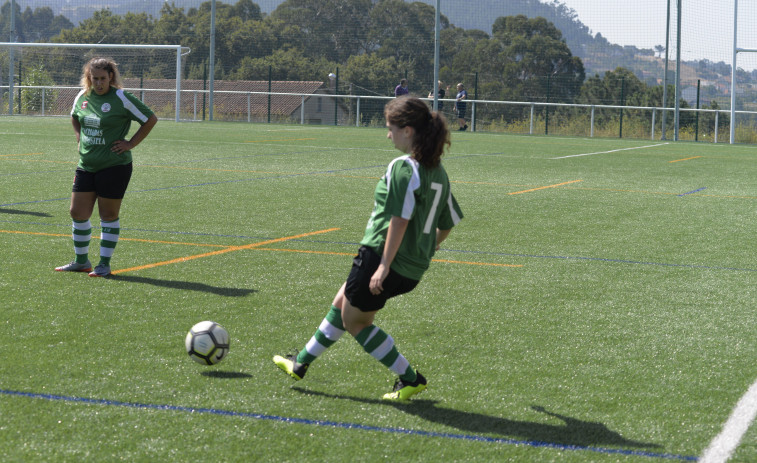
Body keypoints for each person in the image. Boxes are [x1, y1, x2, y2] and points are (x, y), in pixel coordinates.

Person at [274, 97, 463, 401]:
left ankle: (410, 378)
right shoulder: (438, 172)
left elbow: (399, 221)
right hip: (413, 269)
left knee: (356, 323)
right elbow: (449, 222)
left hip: (380, 258)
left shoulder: (404, 167)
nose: (388, 135)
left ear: (408, 131)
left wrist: (384, 265)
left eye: (391, 128)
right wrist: (428, 249)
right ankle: (301, 363)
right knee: (342, 301)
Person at [55, 57, 157, 277]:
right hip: (86, 164)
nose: (99, 83)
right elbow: (75, 118)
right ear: (88, 78)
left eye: (103, 78)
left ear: (111, 77)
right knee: (77, 212)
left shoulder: (121, 97)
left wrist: (130, 143)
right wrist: (79, 137)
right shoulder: (82, 96)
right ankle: (81, 261)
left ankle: (103, 264)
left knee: (108, 215)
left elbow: (150, 119)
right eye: (95, 79)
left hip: (114, 166)